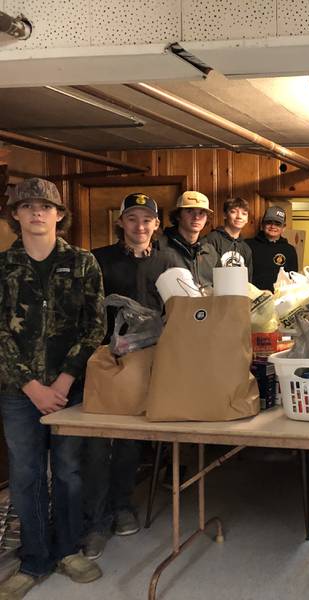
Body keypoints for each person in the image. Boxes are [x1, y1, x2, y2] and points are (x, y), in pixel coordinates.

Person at [0, 178, 105, 597]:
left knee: (68, 472)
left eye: (45, 206)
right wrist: (31, 386)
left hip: (70, 389)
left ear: (60, 214)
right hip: (17, 392)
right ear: (16, 215)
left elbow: (95, 325)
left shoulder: (83, 263)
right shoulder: (3, 267)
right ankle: (34, 558)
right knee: (25, 476)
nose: (36, 212)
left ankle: (66, 550)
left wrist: (63, 380)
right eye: (27, 207)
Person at [82, 193, 163, 561]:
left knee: (130, 441)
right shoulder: (97, 260)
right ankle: (97, 522)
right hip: (105, 361)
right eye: (132, 218)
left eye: (147, 219)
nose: (140, 226)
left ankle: (122, 506)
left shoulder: (169, 261)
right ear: (121, 222)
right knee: (98, 443)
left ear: (156, 225)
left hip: (147, 363)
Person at [154, 190, 219, 292]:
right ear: (178, 215)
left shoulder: (210, 251)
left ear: (207, 218)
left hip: (206, 307)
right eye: (189, 211)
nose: (196, 217)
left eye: (201, 212)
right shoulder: (160, 247)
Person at [247, 206, 298, 292]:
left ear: (284, 227)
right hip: (253, 299)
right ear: (262, 224)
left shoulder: (290, 250)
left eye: (277, 224)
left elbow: (293, 279)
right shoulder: (248, 245)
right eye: (269, 222)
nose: (273, 226)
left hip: (279, 300)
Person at [205, 196, 253, 281]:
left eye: (244, 214)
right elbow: (205, 275)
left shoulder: (246, 248)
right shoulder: (212, 239)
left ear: (247, 219)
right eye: (233, 212)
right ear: (224, 215)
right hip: (216, 293)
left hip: (239, 293)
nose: (239, 217)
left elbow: (248, 281)